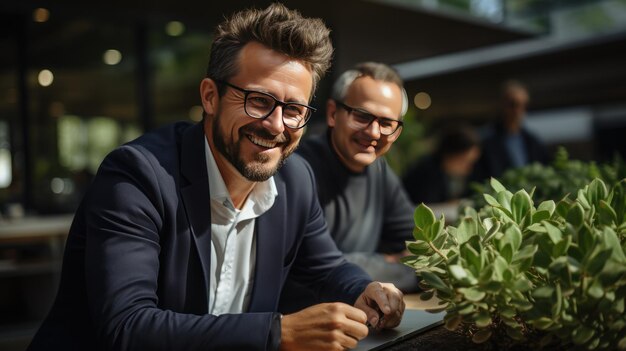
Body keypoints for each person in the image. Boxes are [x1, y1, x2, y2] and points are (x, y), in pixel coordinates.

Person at [28, 4, 404, 351]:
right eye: (258, 100)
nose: (276, 125)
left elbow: (328, 267)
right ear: (210, 96)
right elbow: (127, 327)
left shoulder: (296, 179)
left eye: (293, 109)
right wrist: (278, 333)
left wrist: (363, 289)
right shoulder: (137, 176)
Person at [287, 62, 418, 302]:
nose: (374, 132)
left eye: (386, 123)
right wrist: (389, 264)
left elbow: (423, 245)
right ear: (332, 114)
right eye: (362, 116)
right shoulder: (298, 169)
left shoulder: (380, 171)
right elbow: (311, 267)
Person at [472, 80, 550, 180]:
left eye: (523, 105)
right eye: (513, 104)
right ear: (502, 104)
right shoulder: (484, 140)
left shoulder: (533, 141)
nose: (518, 111)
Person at [403, 124, 481, 204]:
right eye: (464, 161)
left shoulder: (443, 172)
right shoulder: (427, 173)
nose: (469, 168)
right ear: (451, 154)